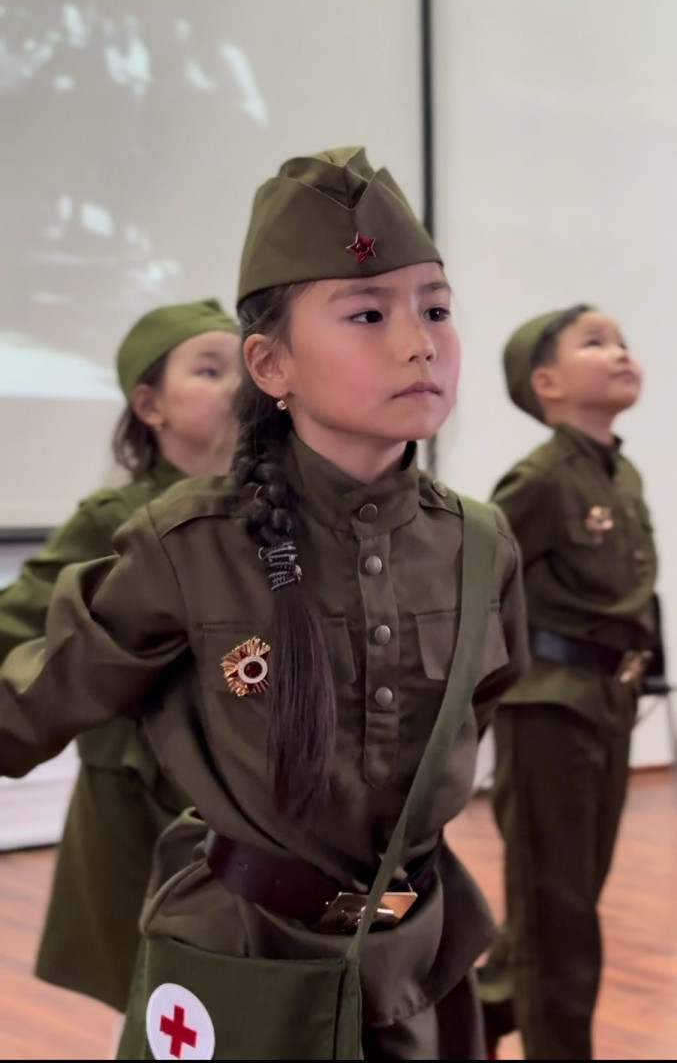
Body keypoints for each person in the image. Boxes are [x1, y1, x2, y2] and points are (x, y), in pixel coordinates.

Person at [0, 147, 529, 1060]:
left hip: (417, 966)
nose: (419, 342)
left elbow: (475, 710)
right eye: (367, 314)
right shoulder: (189, 544)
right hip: (241, 969)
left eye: (436, 309)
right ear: (271, 363)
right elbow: (27, 707)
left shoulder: (479, 544)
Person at [0, 298, 239, 1013]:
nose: (237, 386)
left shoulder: (273, 511)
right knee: (155, 999)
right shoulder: (113, 520)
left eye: (246, 368)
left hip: (245, 796)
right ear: (149, 405)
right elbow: (16, 626)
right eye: (209, 370)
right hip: (138, 800)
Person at [478, 305, 658, 1060]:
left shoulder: (619, 472)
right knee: (558, 913)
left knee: (567, 899)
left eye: (622, 342)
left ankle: (472, 1018)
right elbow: (474, 583)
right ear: (545, 382)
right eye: (594, 343)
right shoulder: (543, 478)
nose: (619, 353)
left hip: (607, 704)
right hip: (549, 710)